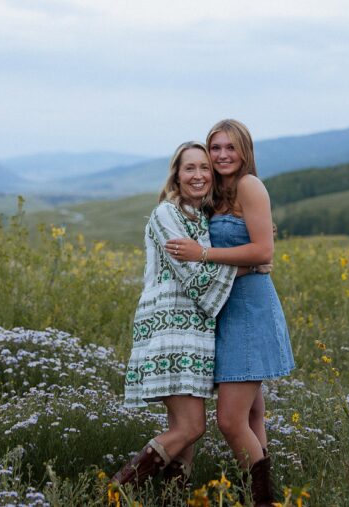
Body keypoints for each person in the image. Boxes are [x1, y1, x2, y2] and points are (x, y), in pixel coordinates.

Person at [114, 141, 270, 490]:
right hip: (169, 330)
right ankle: (115, 491)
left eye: (204, 168)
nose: (198, 175)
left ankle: (172, 497)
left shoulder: (200, 217)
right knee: (191, 427)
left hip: (195, 333)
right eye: (190, 168)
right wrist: (250, 267)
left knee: (184, 431)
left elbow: (206, 262)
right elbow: (197, 279)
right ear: (176, 175)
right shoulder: (166, 215)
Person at [165, 119, 295, 507]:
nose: (222, 155)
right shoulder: (216, 193)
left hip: (249, 312)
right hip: (223, 310)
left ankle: (263, 500)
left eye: (230, 147)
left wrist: (204, 254)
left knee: (229, 420)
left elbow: (264, 250)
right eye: (215, 147)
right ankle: (253, 494)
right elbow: (247, 256)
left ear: (244, 151)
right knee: (252, 416)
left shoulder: (249, 186)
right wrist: (239, 265)